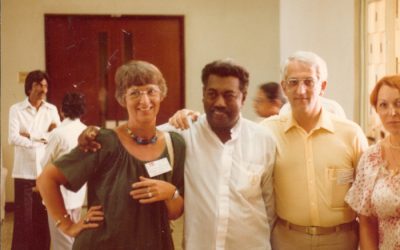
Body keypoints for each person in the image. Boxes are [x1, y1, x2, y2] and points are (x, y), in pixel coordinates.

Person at [79, 59, 277, 249]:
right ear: (203, 95)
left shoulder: (263, 139)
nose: (219, 102)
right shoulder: (182, 134)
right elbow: (137, 133)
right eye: (212, 94)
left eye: (229, 95)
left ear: (243, 96)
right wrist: (94, 133)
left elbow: (270, 207)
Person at [37, 60, 185, 250]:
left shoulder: (175, 145)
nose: (145, 100)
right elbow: (46, 179)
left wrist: (170, 193)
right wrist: (67, 225)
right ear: (123, 98)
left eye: (151, 91)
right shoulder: (103, 141)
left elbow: (174, 213)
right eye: (135, 93)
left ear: (161, 94)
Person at [259, 51, 368, 250]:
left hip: (341, 239)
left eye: (309, 82)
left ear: (323, 86)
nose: (301, 90)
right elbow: (234, 138)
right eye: (293, 82)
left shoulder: (350, 134)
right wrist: (193, 119)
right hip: (288, 239)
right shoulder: (268, 132)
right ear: (284, 87)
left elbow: (366, 199)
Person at [345, 75, 400, 249]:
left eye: (399, 103)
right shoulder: (371, 158)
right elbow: (367, 221)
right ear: (376, 110)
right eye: (383, 105)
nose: (392, 112)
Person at [8, 69, 60, 250]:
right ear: (29, 87)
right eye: (39, 85)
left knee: (43, 219)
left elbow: (56, 137)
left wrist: (30, 135)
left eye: (45, 85)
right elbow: (13, 138)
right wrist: (43, 139)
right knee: (24, 221)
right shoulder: (16, 109)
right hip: (24, 173)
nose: (43, 89)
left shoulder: (51, 109)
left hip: (44, 172)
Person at [40, 92, 88, 250]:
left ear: (62, 110)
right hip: (78, 194)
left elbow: (45, 164)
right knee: (74, 238)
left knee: (62, 243)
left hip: (58, 194)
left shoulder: (57, 134)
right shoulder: (86, 130)